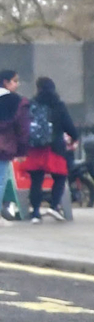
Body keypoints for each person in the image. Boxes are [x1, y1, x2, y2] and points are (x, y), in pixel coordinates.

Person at [16, 76, 76, 221]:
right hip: (55, 147)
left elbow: (23, 125)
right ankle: (54, 206)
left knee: (36, 180)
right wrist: (74, 138)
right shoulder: (58, 105)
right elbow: (69, 126)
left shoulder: (31, 104)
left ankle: (35, 212)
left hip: (35, 148)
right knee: (60, 177)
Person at [0, 71, 24, 223]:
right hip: (3, 146)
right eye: (15, 81)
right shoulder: (14, 100)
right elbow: (22, 126)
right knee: (1, 179)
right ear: (5, 82)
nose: (17, 84)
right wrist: (22, 149)